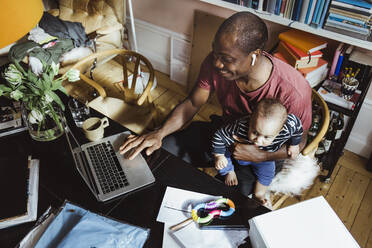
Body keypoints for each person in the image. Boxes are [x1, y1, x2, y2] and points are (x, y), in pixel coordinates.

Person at [120, 11, 312, 197]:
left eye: (226, 59)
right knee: (155, 154)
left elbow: (300, 141)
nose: (217, 64)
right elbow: (193, 103)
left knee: (225, 203)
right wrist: (159, 133)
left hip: (263, 153)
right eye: (215, 53)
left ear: (254, 56)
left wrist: (260, 156)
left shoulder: (292, 90)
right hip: (225, 134)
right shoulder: (215, 63)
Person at [212, 98, 303, 205]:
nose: (258, 140)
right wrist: (219, 155)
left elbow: (298, 126)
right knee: (223, 156)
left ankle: (259, 194)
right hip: (238, 151)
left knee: (268, 173)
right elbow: (220, 135)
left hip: (264, 157)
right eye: (255, 132)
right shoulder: (240, 125)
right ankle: (228, 172)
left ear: (279, 131)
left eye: (267, 137)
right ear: (250, 121)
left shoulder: (287, 128)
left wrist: (294, 144)